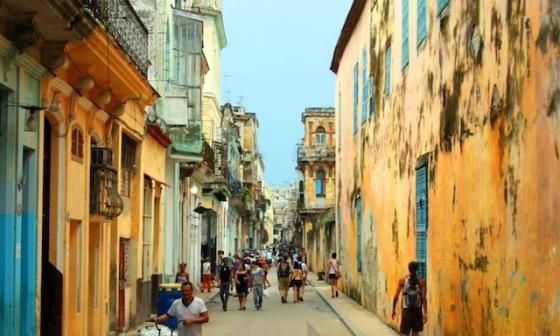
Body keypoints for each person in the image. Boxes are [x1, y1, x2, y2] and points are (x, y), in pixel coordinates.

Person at [392, 261, 427, 336]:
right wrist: (425, 313)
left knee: (404, 333)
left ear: (409, 269)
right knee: (415, 333)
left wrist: (393, 309)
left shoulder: (402, 281)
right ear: (417, 269)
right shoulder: (421, 281)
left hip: (406, 311)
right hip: (417, 310)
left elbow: (396, 296)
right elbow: (423, 298)